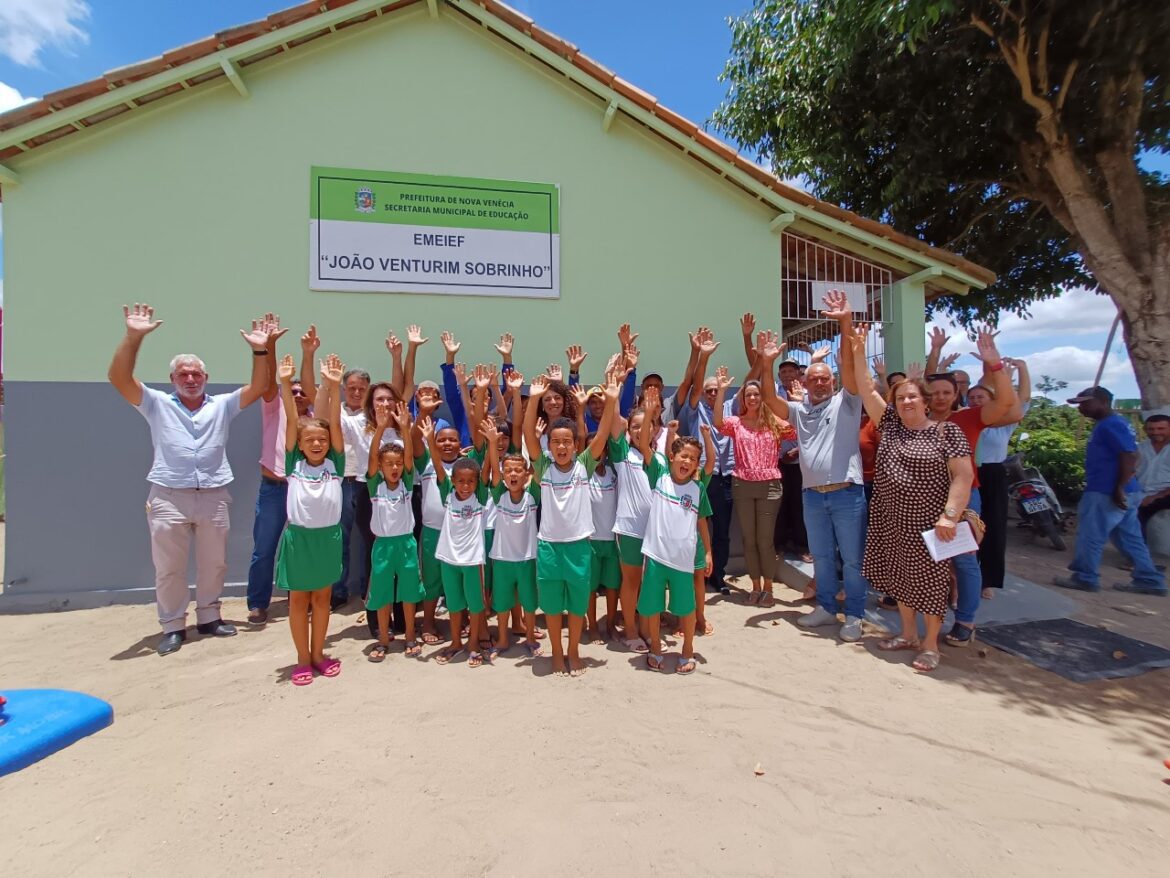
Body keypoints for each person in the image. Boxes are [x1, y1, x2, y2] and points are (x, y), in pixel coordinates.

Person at [108, 303, 269, 656]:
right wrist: (134, 337)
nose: (191, 379)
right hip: (169, 496)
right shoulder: (155, 404)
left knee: (215, 564)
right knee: (169, 569)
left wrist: (260, 348)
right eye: (184, 374)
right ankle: (173, 625)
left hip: (212, 496)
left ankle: (209, 617)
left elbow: (259, 386)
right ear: (173, 380)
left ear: (206, 378)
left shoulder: (222, 405)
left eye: (197, 374)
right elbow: (119, 379)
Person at [851, 326, 974, 673]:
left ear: (925, 400)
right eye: (900, 397)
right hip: (891, 519)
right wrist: (857, 349)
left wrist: (950, 516)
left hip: (931, 523)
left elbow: (963, 476)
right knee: (900, 578)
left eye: (912, 397)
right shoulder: (888, 424)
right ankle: (907, 634)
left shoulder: (946, 431)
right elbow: (863, 385)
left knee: (932, 583)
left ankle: (931, 645)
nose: (906, 401)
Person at [755, 291, 869, 642]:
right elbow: (770, 400)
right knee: (820, 556)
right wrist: (767, 362)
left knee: (851, 559)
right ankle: (825, 607)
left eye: (825, 378)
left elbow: (852, 372)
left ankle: (854, 614)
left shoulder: (846, 404)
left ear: (832, 382)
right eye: (813, 379)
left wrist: (846, 324)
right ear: (803, 384)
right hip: (813, 496)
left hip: (847, 494)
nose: (819, 382)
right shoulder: (800, 411)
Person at [924, 330, 1022, 646]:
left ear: (956, 394)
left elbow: (1007, 403)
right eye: (934, 392)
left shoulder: (970, 418)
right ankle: (931, 614)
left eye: (945, 392)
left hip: (964, 499)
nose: (939, 397)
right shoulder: (917, 421)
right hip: (925, 499)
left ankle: (965, 620)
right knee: (930, 561)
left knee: (963, 559)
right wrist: (934, 352)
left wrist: (995, 367)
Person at [524, 372, 620, 676]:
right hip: (550, 547)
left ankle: (574, 652)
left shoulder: (583, 466)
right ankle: (556, 654)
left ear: (574, 445)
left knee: (578, 604)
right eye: (556, 442)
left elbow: (602, 435)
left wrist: (612, 402)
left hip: (579, 547)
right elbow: (527, 434)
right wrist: (534, 398)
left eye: (567, 442)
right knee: (552, 607)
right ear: (549, 445)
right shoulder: (543, 468)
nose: (562, 447)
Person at [1053, 387, 1167, 596]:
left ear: (1103, 402)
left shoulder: (1110, 425)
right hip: (1125, 491)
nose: (1081, 408)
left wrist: (1119, 488)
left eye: (1085, 403)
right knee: (1130, 538)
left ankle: (1085, 577)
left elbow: (1129, 456)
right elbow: (1132, 455)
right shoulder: (1114, 424)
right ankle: (1149, 579)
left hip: (1106, 491)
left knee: (1091, 536)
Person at [276, 352, 346, 685]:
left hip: (328, 539)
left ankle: (318, 653)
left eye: (322, 440)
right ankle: (302, 658)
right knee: (299, 601)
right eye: (310, 440)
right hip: (300, 540)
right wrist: (285, 384)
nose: (317, 443)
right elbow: (292, 421)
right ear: (300, 447)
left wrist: (333, 388)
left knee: (322, 600)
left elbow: (333, 424)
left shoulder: (336, 465)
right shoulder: (295, 465)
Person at [636, 396, 712, 675]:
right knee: (653, 606)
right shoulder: (659, 475)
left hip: (683, 560)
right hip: (656, 556)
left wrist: (707, 552)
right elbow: (644, 444)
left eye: (693, 459)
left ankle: (688, 648)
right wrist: (648, 413)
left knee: (685, 607)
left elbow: (701, 521)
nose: (687, 461)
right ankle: (656, 647)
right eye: (683, 456)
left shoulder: (697, 488)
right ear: (671, 457)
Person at [713, 367, 795, 607]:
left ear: (762, 397)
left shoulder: (774, 422)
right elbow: (718, 422)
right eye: (748, 395)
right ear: (743, 399)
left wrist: (796, 401)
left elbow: (797, 430)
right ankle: (755, 586)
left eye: (756, 394)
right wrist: (721, 392)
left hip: (769, 485)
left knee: (765, 540)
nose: (752, 398)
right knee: (749, 540)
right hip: (743, 484)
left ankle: (769, 588)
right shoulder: (737, 423)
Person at [423, 414, 497, 668]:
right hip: (448, 559)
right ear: (452, 481)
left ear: (477, 484)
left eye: (470, 482)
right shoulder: (447, 492)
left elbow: (487, 469)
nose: (465, 486)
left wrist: (491, 443)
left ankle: (474, 644)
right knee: (454, 605)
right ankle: (456, 643)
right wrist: (429, 440)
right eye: (460, 481)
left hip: (473, 560)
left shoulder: (479, 496)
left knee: (476, 606)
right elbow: (435, 460)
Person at [486, 375, 544, 659]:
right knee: (503, 603)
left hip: (527, 558)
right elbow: (495, 471)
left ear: (527, 475)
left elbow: (537, 461)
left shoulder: (533, 494)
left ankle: (531, 637)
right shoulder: (499, 494)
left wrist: (536, 437)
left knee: (530, 602)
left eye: (517, 471)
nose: (511, 474)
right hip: (502, 558)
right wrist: (492, 442)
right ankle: (503, 638)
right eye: (508, 471)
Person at [678, 329, 736, 596]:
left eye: (717, 391)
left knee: (722, 531)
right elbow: (696, 385)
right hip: (699, 479)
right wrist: (703, 356)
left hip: (723, 479)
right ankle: (693, 573)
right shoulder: (694, 408)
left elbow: (753, 383)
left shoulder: (731, 410)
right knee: (695, 529)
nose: (712, 394)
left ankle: (719, 576)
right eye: (710, 391)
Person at [969, 358, 1031, 598]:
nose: (975, 401)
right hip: (967, 473)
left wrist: (1022, 369)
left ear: (991, 401)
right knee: (967, 528)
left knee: (993, 527)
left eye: (980, 397)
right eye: (972, 397)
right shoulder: (964, 419)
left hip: (992, 474)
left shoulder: (1003, 424)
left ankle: (987, 581)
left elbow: (1022, 399)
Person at [365, 401, 421, 662]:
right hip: (383, 546)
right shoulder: (375, 485)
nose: (395, 468)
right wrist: (381, 428)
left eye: (398, 463)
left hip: (406, 545)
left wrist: (405, 428)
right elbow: (372, 457)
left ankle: (410, 635)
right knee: (383, 593)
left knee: (409, 592)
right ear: (381, 466)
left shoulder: (406, 484)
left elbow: (409, 456)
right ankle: (384, 639)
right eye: (389, 464)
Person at [1136, 414, 1170, 538]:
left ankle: (1140, 553)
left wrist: (1155, 497)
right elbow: (1131, 472)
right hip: (1141, 492)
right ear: (1145, 430)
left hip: (1165, 493)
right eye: (1151, 429)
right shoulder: (1140, 448)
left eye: (1161, 429)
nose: (1155, 432)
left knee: (1139, 513)